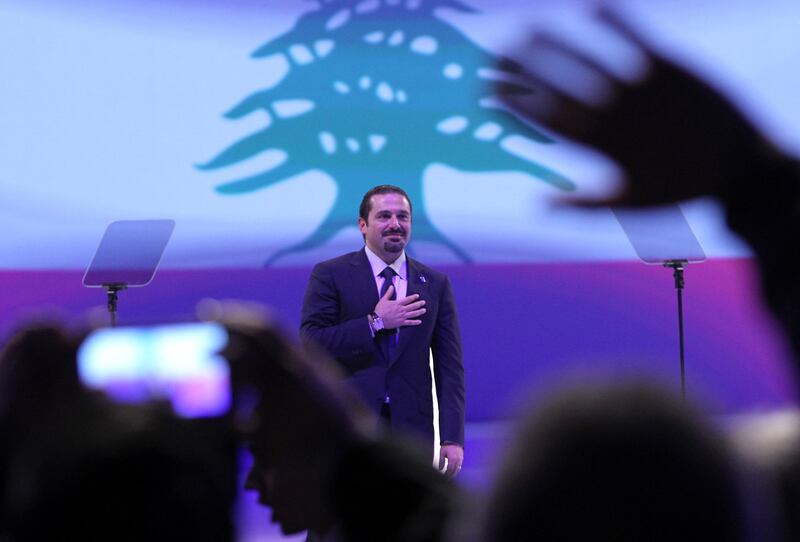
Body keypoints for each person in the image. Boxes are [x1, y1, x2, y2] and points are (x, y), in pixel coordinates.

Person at [300, 185, 465, 477]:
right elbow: (311, 342)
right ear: (363, 225)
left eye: (403, 216)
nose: (395, 224)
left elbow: (448, 366)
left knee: (408, 520)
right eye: (384, 216)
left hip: (412, 432)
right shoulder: (330, 275)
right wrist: (374, 322)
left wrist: (451, 437)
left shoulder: (435, 283)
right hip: (347, 422)